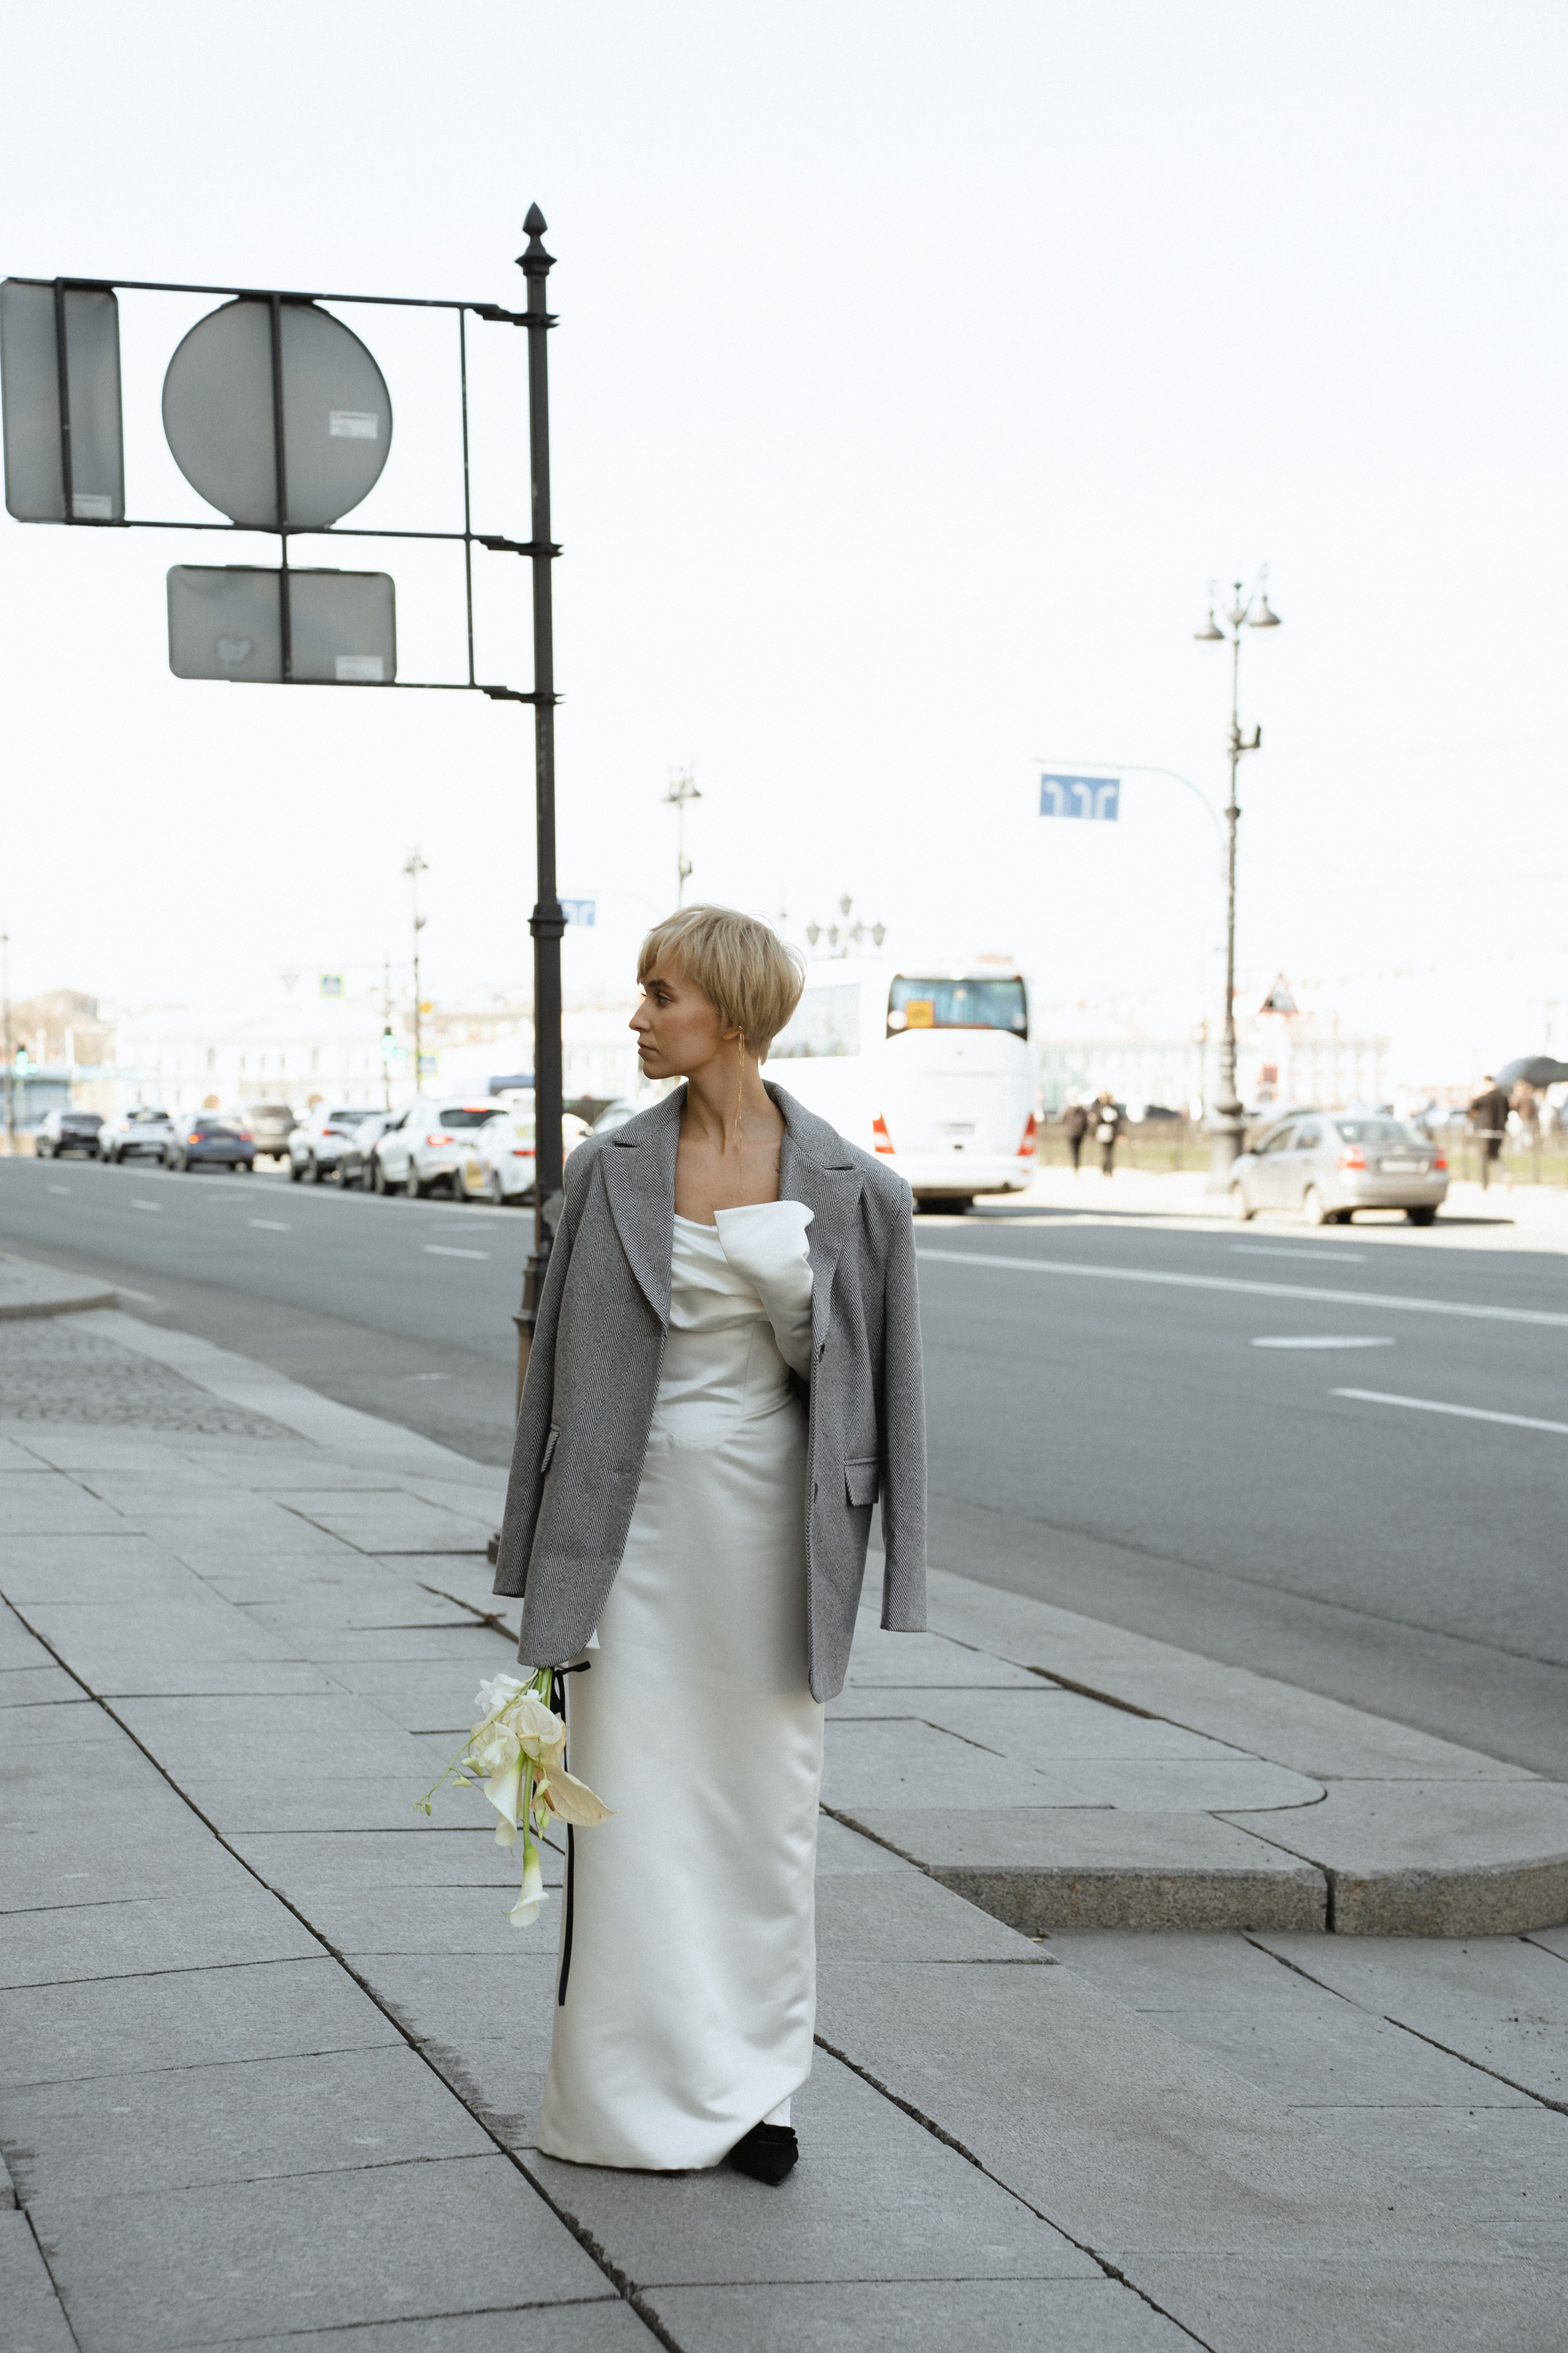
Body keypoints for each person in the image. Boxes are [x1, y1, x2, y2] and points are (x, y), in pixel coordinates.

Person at [492, 905, 927, 2186]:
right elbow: (551, 1377)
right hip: (627, 1539)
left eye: (658, 994)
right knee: (624, 1812)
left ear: (728, 1014)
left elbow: (882, 1389)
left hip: (769, 1536)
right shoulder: (609, 1168)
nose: (634, 1016)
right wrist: (525, 1558)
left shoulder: (857, 1185)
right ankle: (616, 2095)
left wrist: (793, 1292)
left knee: (762, 1815)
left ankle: (756, 2096)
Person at [1468, 1075, 1510, 1190]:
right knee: (1495, 1155)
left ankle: (1484, 1185)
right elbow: (1507, 1113)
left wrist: (1478, 1094)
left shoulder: (1484, 1098)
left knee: (1483, 1158)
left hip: (1484, 1131)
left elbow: (1472, 1111)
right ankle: (1505, 1175)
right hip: (1499, 1131)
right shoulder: (1503, 1097)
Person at [1091, 1089, 1122, 1176]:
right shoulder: (1113, 1107)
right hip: (1109, 1132)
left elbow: (1096, 1121)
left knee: (1106, 1152)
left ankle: (1107, 1169)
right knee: (1108, 1152)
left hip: (1105, 1132)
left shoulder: (1101, 1107)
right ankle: (1108, 1169)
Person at [1060, 1094, 1089, 1173]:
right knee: (1074, 1150)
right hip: (1072, 1133)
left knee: (1077, 1150)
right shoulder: (1070, 1110)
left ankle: (1076, 1165)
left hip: (1078, 1133)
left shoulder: (1081, 1110)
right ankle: (1075, 1165)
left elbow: (1086, 1122)